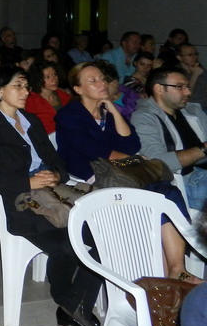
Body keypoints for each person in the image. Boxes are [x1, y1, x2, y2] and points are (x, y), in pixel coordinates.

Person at [0, 65, 103, 326]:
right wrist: (26, 181)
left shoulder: (32, 121)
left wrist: (55, 174)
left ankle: (74, 305)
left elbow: (57, 161)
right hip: (17, 203)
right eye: (18, 86)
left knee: (104, 237)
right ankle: (70, 303)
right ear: (0, 90)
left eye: (26, 86)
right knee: (66, 247)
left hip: (52, 196)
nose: (25, 91)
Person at [56, 61, 199, 283]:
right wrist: (133, 158)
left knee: (168, 194)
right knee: (161, 195)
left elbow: (131, 144)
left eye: (102, 78)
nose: (101, 83)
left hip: (119, 173)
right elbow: (95, 151)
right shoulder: (69, 115)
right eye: (92, 81)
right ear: (78, 89)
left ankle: (175, 270)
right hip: (90, 176)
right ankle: (171, 272)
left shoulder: (106, 112)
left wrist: (113, 110)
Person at [133, 66, 207, 212]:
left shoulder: (192, 111)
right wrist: (204, 148)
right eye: (180, 87)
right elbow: (158, 162)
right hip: (183, 181)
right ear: (159, 89)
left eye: (187, 87)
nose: (188, 92)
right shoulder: (143, 118)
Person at [24, 61, 71, 136]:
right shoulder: (30, 101)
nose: (54, 79)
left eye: (54, 75)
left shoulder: (64, 95)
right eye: (47, 77)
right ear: (38, 79)